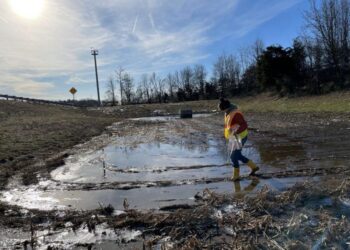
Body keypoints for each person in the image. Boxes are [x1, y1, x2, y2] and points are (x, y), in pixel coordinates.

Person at [218, 98, 259, 181]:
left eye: (223, 109)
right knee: (237, 155)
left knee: (233, 156)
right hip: (234, 138)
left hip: (240, 137)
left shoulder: (236, 113)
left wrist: (235, 132)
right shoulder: (228, 112)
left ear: (226, 107)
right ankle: (254, 167)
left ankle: (236, 175)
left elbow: (244, 125)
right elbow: (229, 126)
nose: (222, 111)